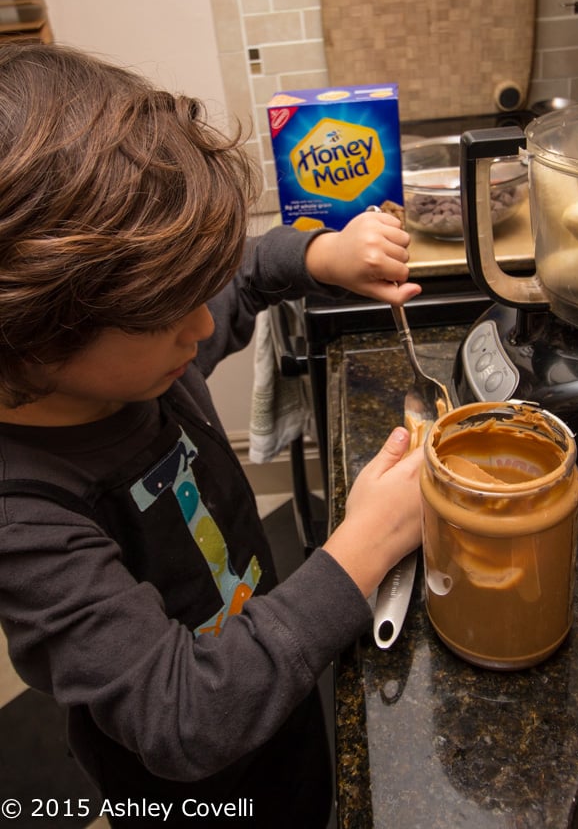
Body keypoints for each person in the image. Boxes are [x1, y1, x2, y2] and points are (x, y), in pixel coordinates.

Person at [0, 43, 424, 827]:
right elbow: (184, 716)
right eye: (168, 317)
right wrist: (364, 547)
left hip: (276, 694)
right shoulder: (24, 519)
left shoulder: (146, 363)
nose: (202, 328)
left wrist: (320, 253)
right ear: (33, 336)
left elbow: (247, 272)